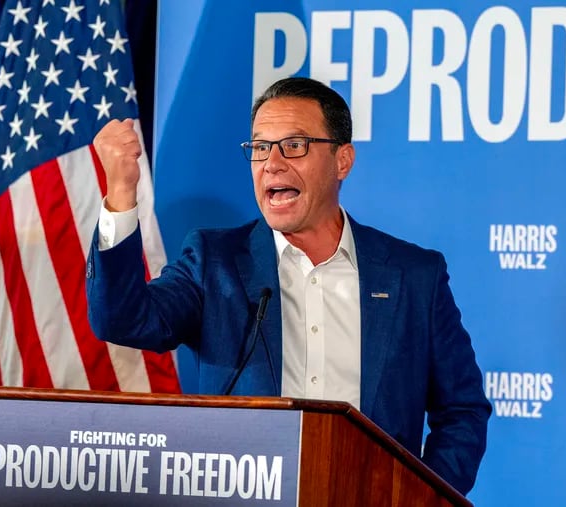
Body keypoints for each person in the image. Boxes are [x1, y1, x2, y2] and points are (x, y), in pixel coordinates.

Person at [86, 77, 491, 495]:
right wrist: (120, 193)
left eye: (294, 145)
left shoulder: (413, 275)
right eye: (260, 148)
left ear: (342, 161)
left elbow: (462, 409)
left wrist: (419, 498)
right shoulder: (214, 262)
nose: (272, 164)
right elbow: (122, 319)